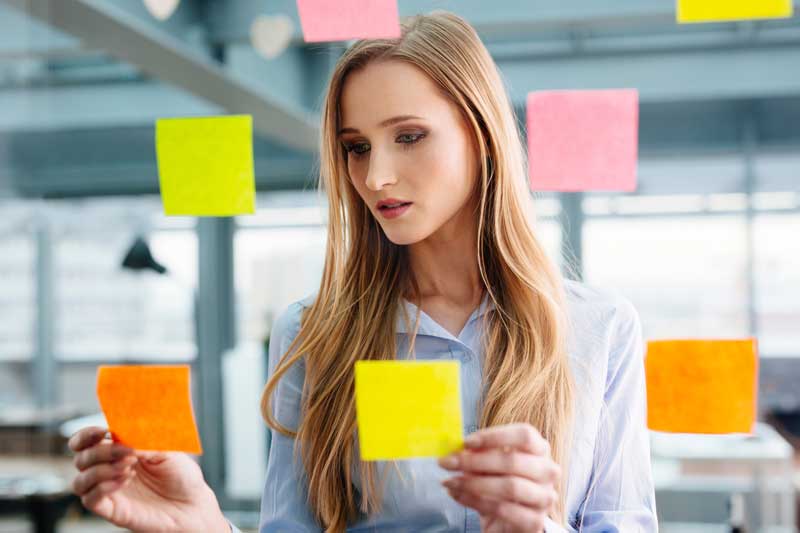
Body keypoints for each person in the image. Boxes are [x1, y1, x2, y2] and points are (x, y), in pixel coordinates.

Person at [68, 11, 657, 533]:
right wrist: (199, 527)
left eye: (408, 136)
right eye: (357, 147)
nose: (376, 178)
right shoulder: (312, 334)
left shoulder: (598, 329)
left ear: (482, 137)